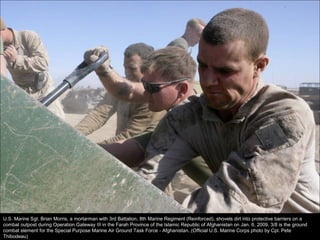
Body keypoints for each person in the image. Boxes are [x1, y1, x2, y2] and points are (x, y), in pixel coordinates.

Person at [137, 8, 319, 213]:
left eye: (225, 71)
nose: (207, 81)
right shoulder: (186, 118)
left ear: (259, 66)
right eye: (203, 66)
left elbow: (231, 202)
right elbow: (147, 181)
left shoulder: (285, 118)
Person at [82, 46, 212, 186]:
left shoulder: (192, 120)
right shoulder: (174, 122)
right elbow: (127, 149)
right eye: (144, 85)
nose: (145, 93)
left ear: (182, 89)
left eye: (152, 88)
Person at [75, 43, 166, 145]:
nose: (127, 72)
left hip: (136, 153)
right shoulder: (121, 87)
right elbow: (99, 114)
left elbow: (129, 137)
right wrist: (73, 134)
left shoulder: (151, 97)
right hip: (119, 149)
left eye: (132, 68)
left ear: (148, 68)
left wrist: (91, 149)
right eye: (125, 67)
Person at [0, 17, 65, 119]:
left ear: (2, 30)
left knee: (58, 126)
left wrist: (17, 60)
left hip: (44, 90)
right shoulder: (1, 47)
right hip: (23, 95)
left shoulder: (28, 36)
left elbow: (43, 63)